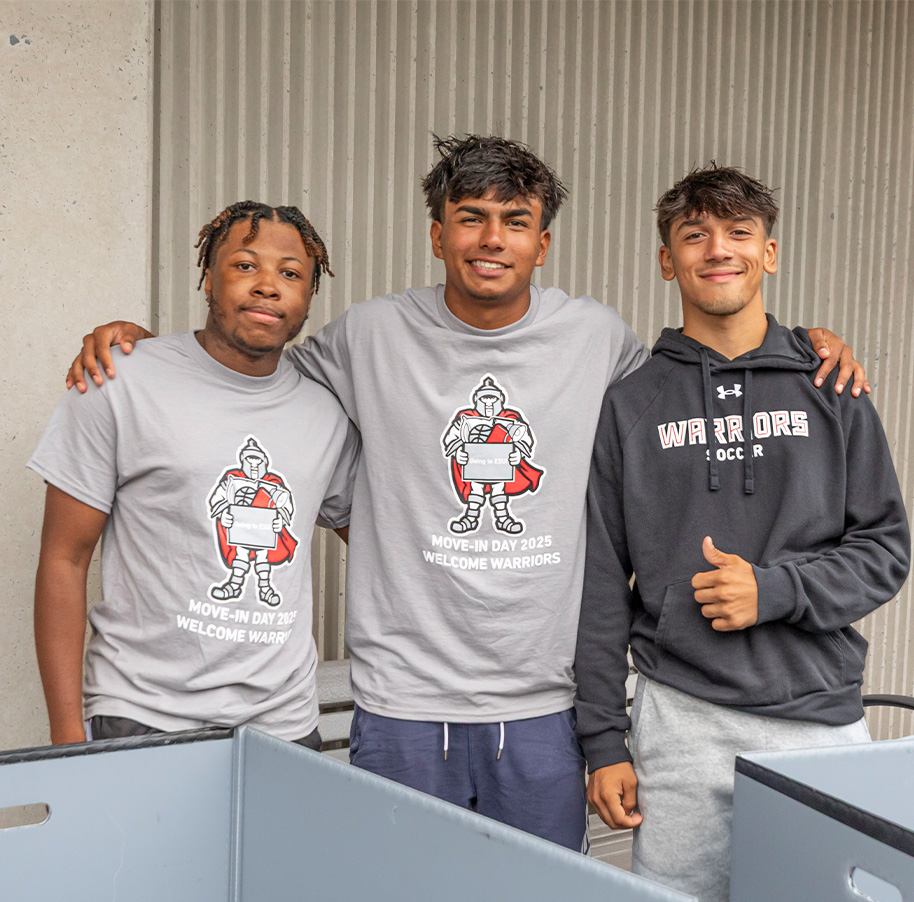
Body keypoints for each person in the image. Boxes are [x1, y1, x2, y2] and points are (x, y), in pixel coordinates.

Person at [65, 136, 864, 850]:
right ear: (438, 234)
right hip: (402, 703)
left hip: (544, 703)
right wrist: (139, 346)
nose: (492, 238)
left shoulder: (596, 341)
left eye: (515, 220)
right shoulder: (369, 337)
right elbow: (248, 372)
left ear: (542, 242)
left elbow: (693, 378)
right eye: (471, 216)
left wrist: (804, 348)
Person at [573, 164, 909, 899]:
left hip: (817, 716)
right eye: (694, 235)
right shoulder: (631, 404)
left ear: (769, 252)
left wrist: (777, 591)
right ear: (668, 259)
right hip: (680, 718)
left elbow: (886, 550)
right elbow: (600, 583)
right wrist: (604, 740)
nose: (716, 249)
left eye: (738, 232)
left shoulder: (832, 387)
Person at [30, 201, 359, 748]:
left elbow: (377, 536)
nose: (267, 286)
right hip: (142, 715)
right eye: (245, 265)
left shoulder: (324, 413)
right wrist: (66, 732)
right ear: (208, 276)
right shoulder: (120, 382)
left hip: (284, 727)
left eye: (291, 273)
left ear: (308, 298)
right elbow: (64, 559)